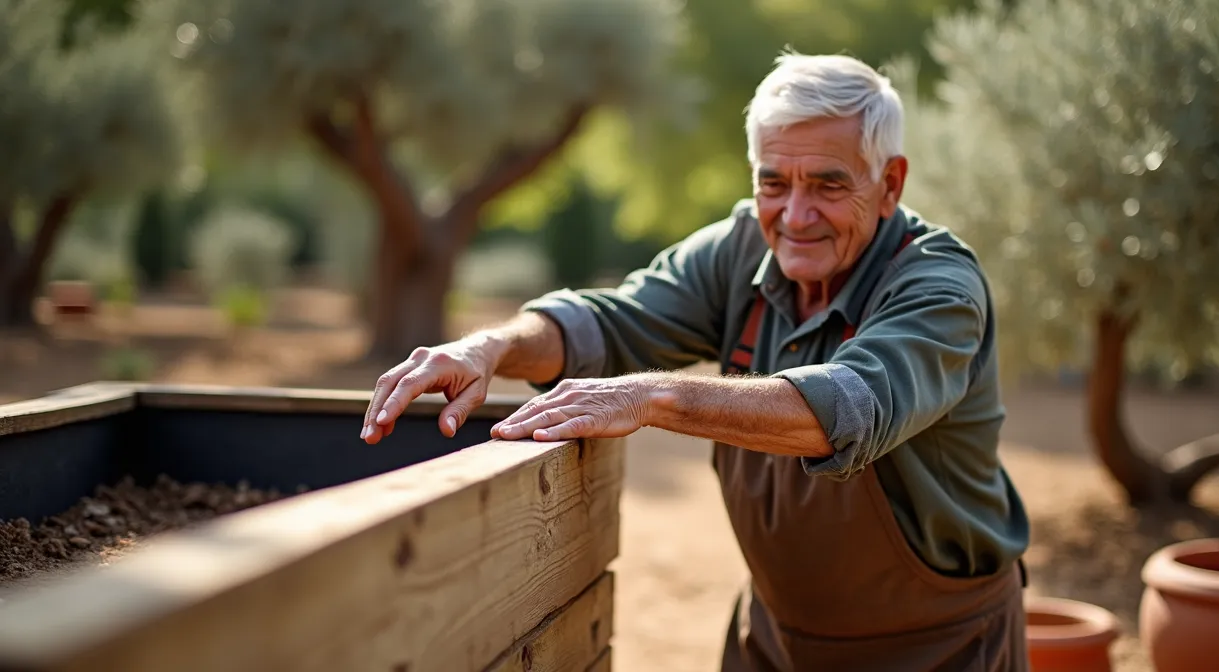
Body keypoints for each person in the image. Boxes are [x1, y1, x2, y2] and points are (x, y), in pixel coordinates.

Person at [360, 52, 1031, 672]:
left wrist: (654, 399)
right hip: (775, 642)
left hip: (939, 649)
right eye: (774, 182)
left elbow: (848, 409)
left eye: (828, 185)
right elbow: (607, 322)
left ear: (890, 183)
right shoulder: (740, 249)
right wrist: (490, 347)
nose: (795, 215)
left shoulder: (940, 288)